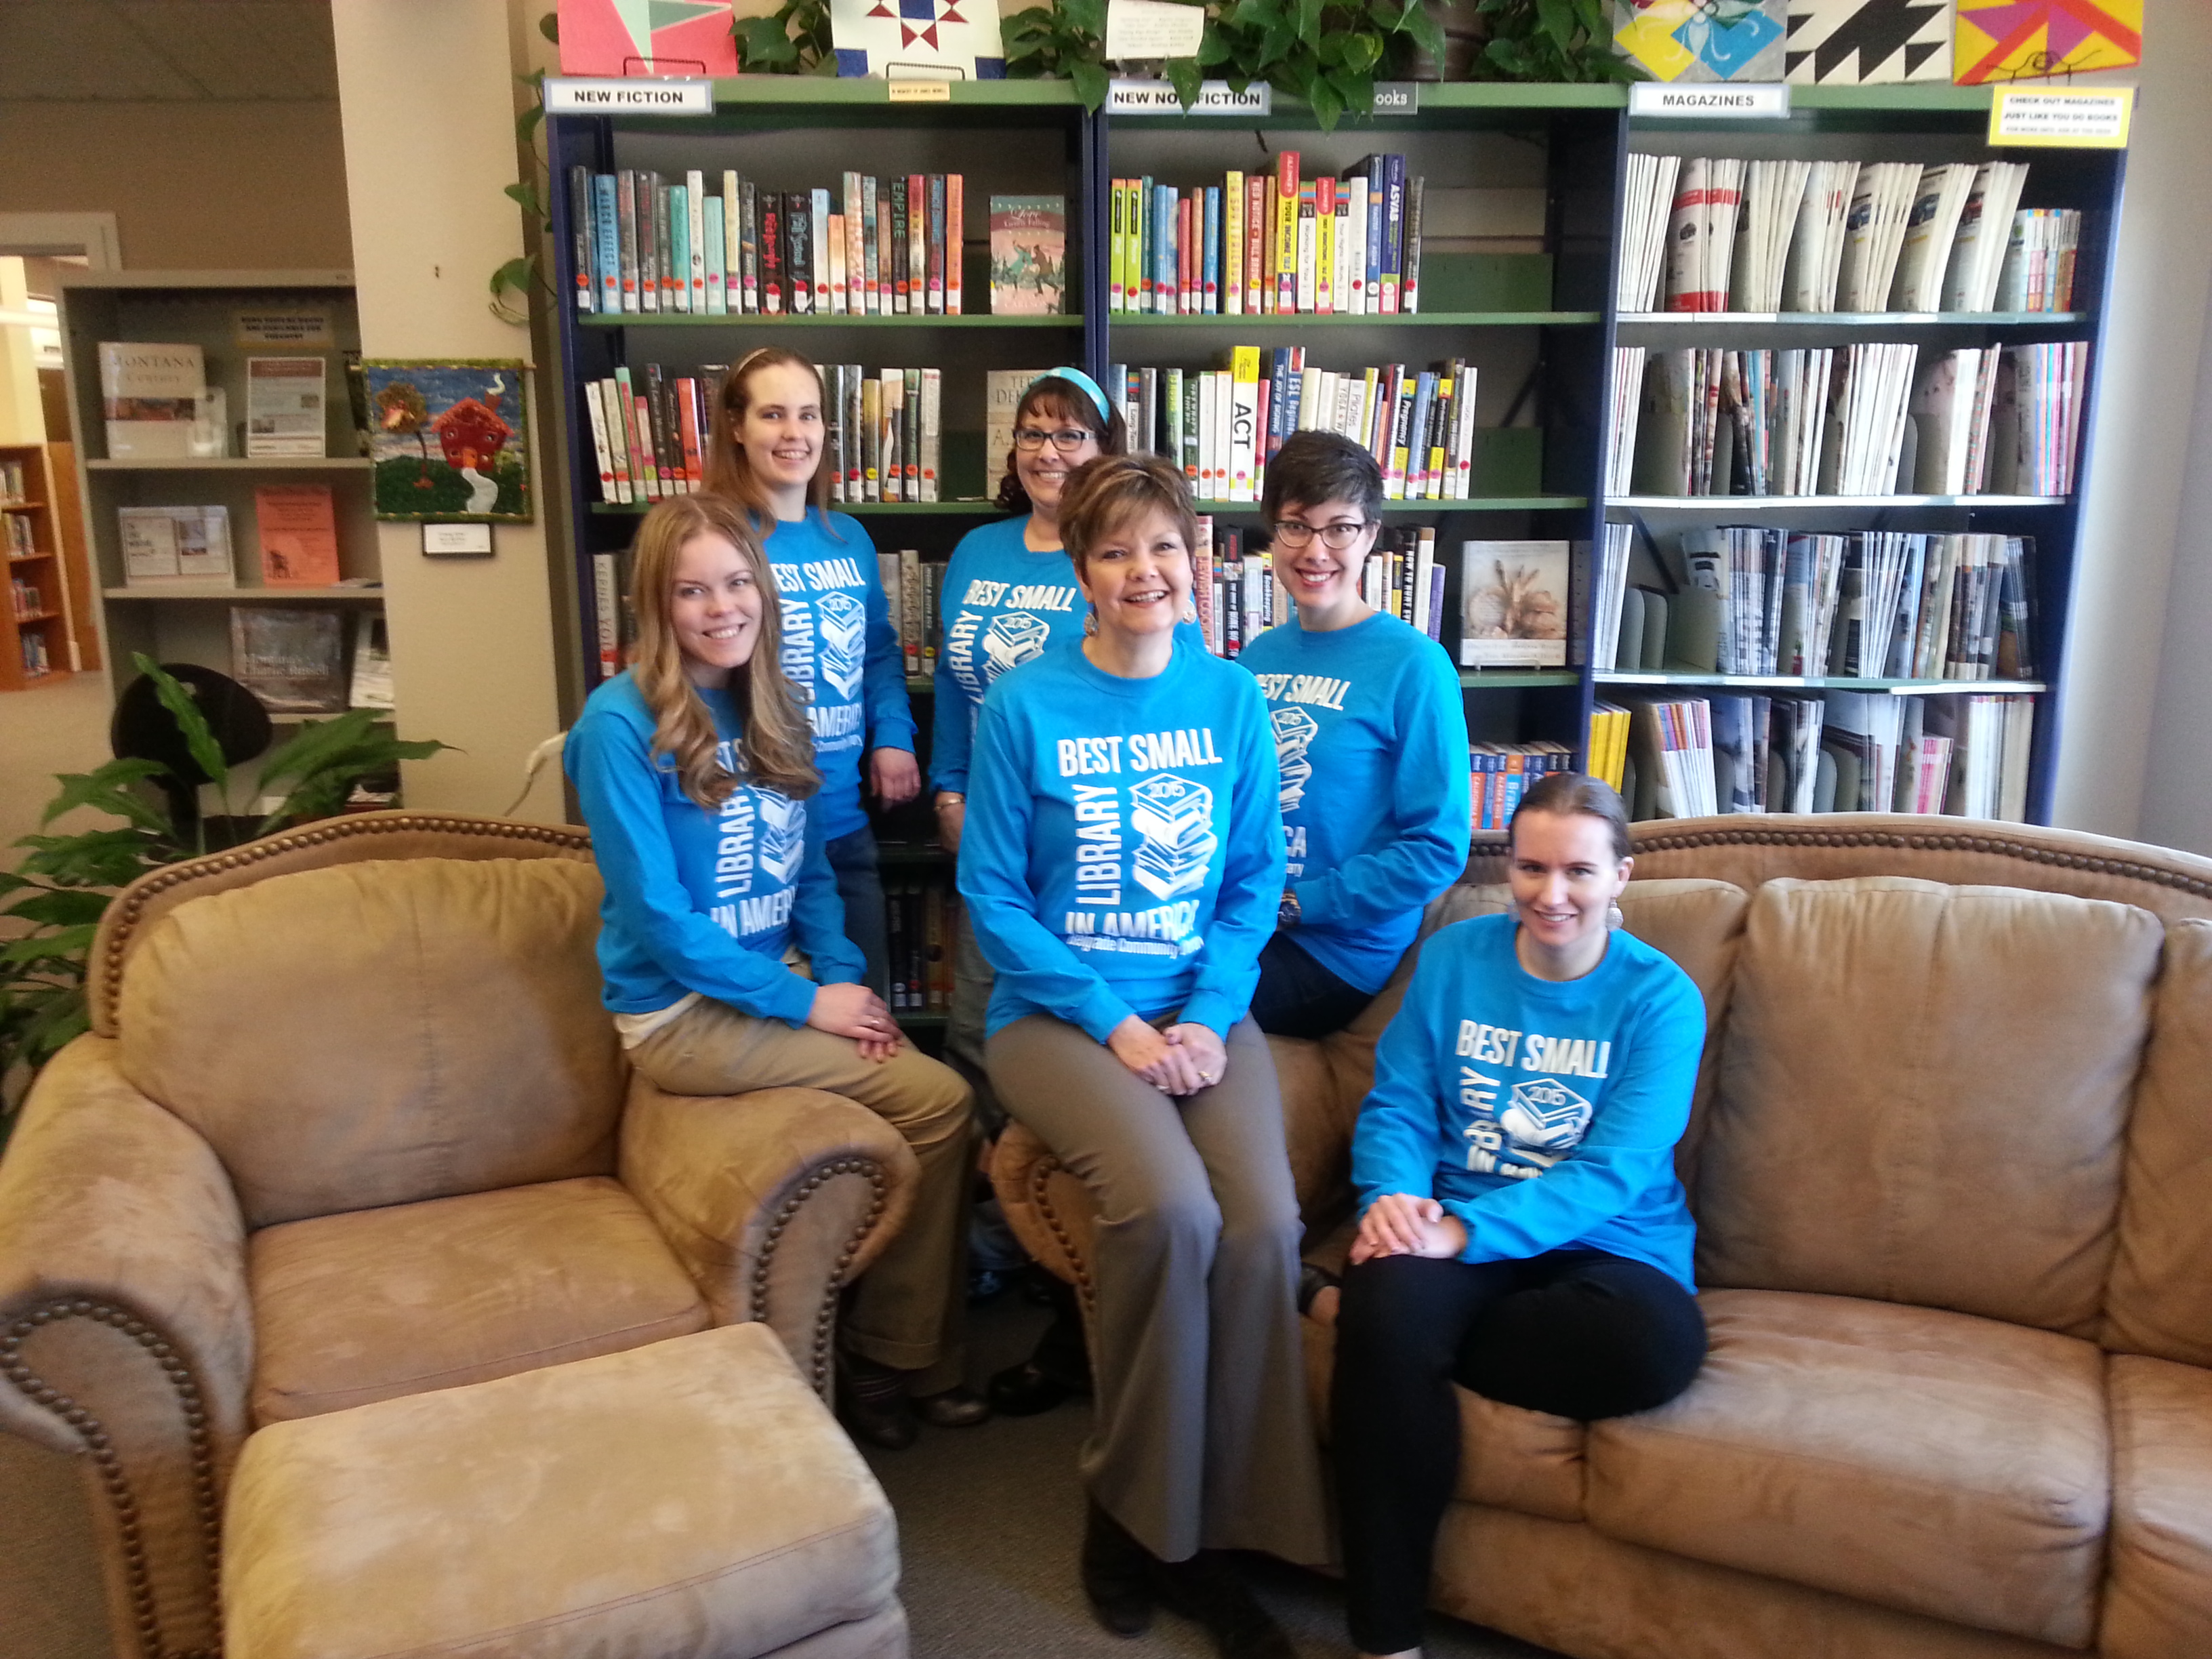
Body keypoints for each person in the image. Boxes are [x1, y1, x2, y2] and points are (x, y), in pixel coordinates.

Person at [960, 453, 1326, 1659]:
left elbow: (1251, 877)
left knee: (1264, 1224)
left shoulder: (1228, 702)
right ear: (1080, 571)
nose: (1142, 571)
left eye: (1162, 547)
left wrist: (1206, 1013)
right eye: (1113, 550)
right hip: (1058, 1019)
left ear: (1196, 562)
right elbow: (994, 897)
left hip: (1200, 1010)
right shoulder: (1023, 705)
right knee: (1169, 1211)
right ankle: (1131, 1516)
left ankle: (1228, 1530)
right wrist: (1116, 1025)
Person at [564, 493, 985, 1452]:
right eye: (692, 591)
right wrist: (809, 1003)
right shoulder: (619, 727)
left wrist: (850, 986)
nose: (722, 608)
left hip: (779, 974)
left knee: (905, 1080)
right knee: (942, 1102)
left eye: (737, 582)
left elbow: (810, 875)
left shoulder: (773, 698)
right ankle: (896, 1361)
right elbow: (662, 922)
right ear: (655, 605)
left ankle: (883, 1345)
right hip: (679, 1014)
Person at [1317, 773, 1710, 1659]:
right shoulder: (1455, 958)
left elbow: (1616, 1170)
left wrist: (1458, 1237)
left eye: (1579, 871)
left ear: (1622, 878)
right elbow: (1401, 1106)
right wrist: (1392, 1203)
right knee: (1391, 1302)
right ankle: (1384, 1639)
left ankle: (1361, 1319)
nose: (1553, 894)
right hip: (1451, 1222)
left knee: (1651, 1352)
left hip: (1609, 1247)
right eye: (1532, 868)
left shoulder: (1660, 999)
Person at [930, 368, 1126, 1417]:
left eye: (1072, 432)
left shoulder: (1116, 558)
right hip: (988, 847)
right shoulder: (975, 554)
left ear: (1106, 447)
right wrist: (952, 791)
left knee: (1066, 1060)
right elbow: (962, 696)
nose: (1049, 450)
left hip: (1086, 860)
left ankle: (1057, 1260)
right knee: (977, 1044)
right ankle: (998, 1247)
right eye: (1033, 431)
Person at [1236, 430, 1470, 1040]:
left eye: (1339, 528)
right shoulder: (1257, 657)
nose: (1316, 550)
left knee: (1171, 1007)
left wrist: (1298, 906)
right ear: (1273, 533)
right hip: (1249, 920)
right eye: (1296, 525)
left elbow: (1438, 847)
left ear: (1369, 535)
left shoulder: (1414, 666)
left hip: (1337, 951)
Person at [705, 346, 918, 999]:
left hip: (843, 821)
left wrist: (894, 738)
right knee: (770, 1024)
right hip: (749, 831)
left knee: (867, 1016)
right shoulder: (712, 536)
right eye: (773, 414)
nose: (794, 434)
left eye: (808, 415)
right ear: (737, 427)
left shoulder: (848, 537)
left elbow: (878, 653)